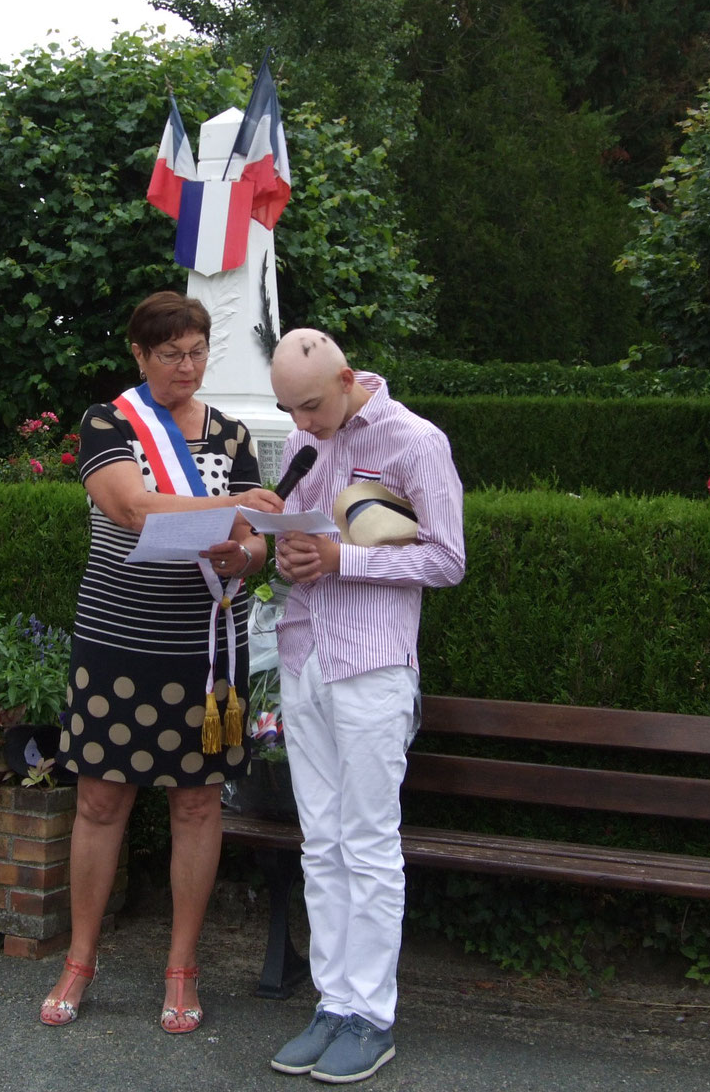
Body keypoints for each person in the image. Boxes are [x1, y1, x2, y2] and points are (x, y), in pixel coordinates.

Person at [38, 291, 285, 1030]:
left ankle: (182, 967)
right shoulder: (110, 422)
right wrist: (241, 507)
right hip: (120, 640)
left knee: (198, 802)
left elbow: (259, 550)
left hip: (208, 647)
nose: (187, 366)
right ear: (139, 356)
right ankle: (80, 958)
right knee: (100, 800)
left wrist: (244, 549)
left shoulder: (234, 433)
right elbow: (129, 508)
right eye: (171, 354)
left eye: (197, 351)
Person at [265, 328, 465, 1084]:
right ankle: (331, 1001)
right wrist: (284, 549)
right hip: (304, 651)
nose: (302, 424)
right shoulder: (301, 437)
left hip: (375, 661)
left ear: (349, 378)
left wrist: (343, 558)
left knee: (370, 842)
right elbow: (302, 539)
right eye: (290, 410)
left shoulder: (417, 441)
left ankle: (371, 1017)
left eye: (311, 406)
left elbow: (448, 559)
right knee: (320, 842)